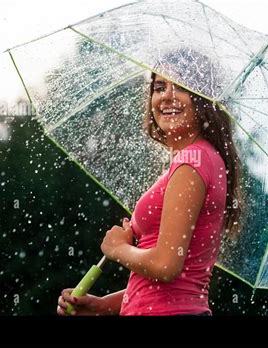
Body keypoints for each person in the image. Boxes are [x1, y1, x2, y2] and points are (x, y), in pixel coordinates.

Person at [57, 50, 243, 316]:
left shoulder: (193, 161)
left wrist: (118, 248)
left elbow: (166, 266)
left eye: (181, 87)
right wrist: (100, 306)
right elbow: (164, 284)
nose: (167, 96)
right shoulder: (202, 159)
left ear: (203, 99)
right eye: (159, 87)